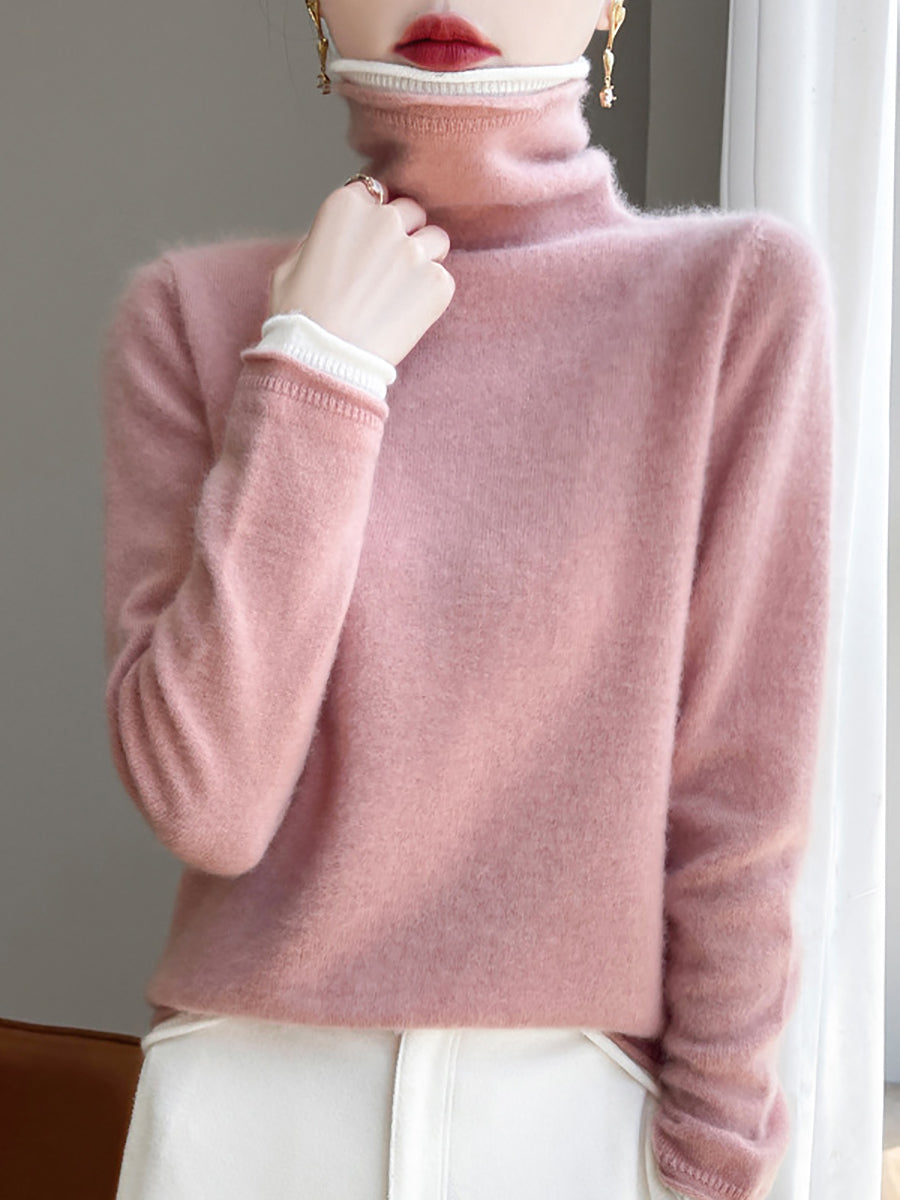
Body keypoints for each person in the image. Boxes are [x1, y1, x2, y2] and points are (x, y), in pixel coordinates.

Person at [100, 2, 835, 1198]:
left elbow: (742, 797)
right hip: (245, 1122)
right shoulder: (191, 316)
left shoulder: (733, 298)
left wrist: (717, 1161)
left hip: (584, 1121)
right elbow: (208, 801)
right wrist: (315, 365)